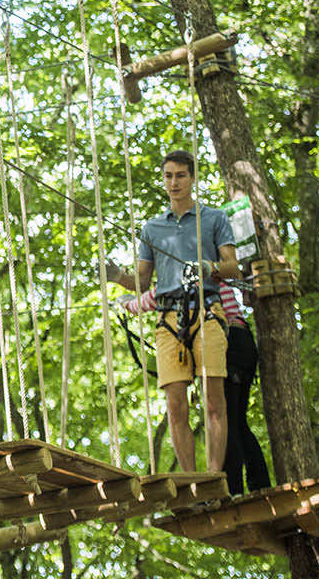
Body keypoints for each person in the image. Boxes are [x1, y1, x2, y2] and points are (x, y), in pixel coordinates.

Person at [109, 149, 240, 474]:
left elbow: (233, 266)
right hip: (168, 319)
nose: (174, 182)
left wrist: (209, 267)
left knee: (213, 401)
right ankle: (192, 481)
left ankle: (214, 475)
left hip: (207, 311)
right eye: (168, 176)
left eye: (180, 175)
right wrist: (117, 276)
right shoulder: (152, 228)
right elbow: (142, 282)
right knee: (175, 405)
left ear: (192, 178)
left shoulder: (213, 218)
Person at [113, 280, 271, 493]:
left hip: (229, 341)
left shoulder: (196, 277)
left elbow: (162, 292)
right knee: (237, 422)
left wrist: (130, 304)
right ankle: (257, 485)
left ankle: (232, 490)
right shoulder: (211, 275)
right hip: (240, 340)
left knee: (227, 420)